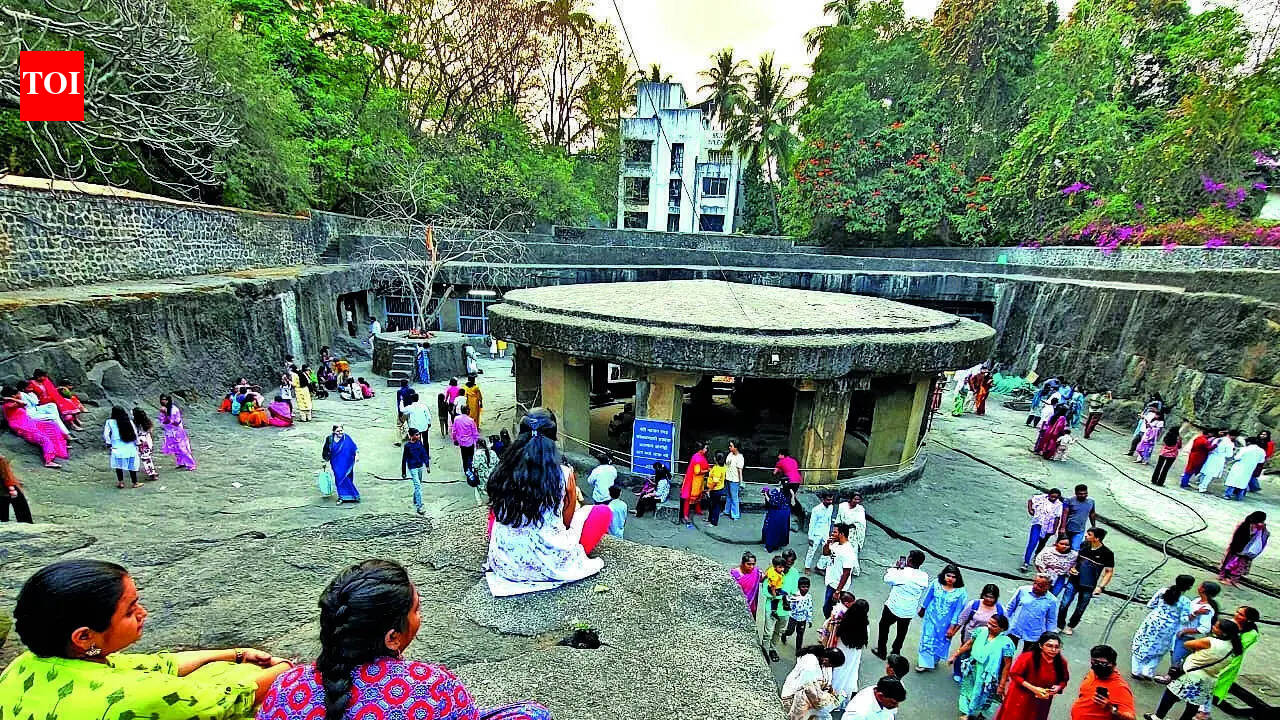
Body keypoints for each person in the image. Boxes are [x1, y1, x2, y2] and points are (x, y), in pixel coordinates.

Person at [257, 559, 549, 720]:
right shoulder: (432, 685)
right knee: (533, 714)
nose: (421, 616)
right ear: (393, 638)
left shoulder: (286, 687)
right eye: (416, 609)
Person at [0, 560, 290, 720]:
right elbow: (236, 697)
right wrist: (287, 670)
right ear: (84, 636)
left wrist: (236, 653)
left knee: (221, 668)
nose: (143, 613)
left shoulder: (23, 665)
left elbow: (158, 664)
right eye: (130, 610)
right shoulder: (138, 695)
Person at [484, 408, 610, 596]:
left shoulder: (503, 470)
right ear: (552, 438)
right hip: (551, 565)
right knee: (602, 512)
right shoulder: (564, 474)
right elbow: (566, 522)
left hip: (506, 565)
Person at [1147, 619, 1243, 720]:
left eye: (1216, 626)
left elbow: (1188, 644)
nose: (1213, 627)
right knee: (1193, 705)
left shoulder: (1211, 641)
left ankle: (1158, 717)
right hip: (1208, 679)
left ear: (1223, 633)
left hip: (1191, 675)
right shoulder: (1234, 649)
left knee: (1171, 695)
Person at [950, 614, 1016, 720]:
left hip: (988, 674)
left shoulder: (1006, 643)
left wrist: (1002, 684)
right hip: (972, 667)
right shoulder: (980, 631)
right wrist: (955, 655)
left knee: (984, 694)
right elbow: (969, 644)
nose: (989, 626)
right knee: (967, 689)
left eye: (994, 626)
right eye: (989, 623)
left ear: (1002, 629)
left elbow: (1007, 665)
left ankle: (979, 714)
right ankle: (966, 711)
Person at [1130, 576, 1196, 679]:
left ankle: (1136, 670)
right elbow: (1184, 619)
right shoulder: (1185, 601)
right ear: (1189, 587)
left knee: (1142, 642)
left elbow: (1150, 605)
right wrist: (1194, 614)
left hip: (1152, 621)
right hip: (1168, 627)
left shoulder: (1162, 591)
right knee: (1159, 649)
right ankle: (1148, 671)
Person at [994, 632, 1069, 720]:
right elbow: (1014, 674)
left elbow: (1064, 680)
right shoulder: (1027, 657)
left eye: (1057, 647)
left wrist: (1058, 687)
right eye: (1049, 646)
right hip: (1020, 697)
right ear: (1041, 646)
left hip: (1041, 701)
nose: (1053, 650)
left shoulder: (1061, 662)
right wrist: (1034, 689)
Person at [1058, 528, 1115, 635]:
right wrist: (1072, 568)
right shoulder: (1084, 545)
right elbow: (1076, 560)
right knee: (1064, 604)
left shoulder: (1107, 553)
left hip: (1089, 585)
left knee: (1080, 608)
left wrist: (1100, 587)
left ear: (1097, 538)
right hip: (1074, 580)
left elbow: (1109, 572)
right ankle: (1060, 625)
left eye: (1089, 534)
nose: (1086, 536)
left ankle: (1071, 625)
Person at [874, 550, 929, 659]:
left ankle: (881, 651)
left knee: (884, 626)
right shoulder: (924, 576)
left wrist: (896, 568)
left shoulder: (902, 573)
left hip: (893, 607)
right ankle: (896, 652)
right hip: (908, 610)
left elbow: (887, 579)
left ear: (909, 560)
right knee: (901, 632)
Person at [1205, 607, 1259, 715]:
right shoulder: (1230, 623)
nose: (1236, 615)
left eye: (1241, 614)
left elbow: (1238, 647)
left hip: (1230, 661)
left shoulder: (1252, 633)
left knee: (1215, 686)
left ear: (1248, 619)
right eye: (1237, 612)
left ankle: (1204, 711)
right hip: (1214, 655)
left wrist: (1232, 632)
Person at [1, 384, 69, 468]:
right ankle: (48, 460)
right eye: (18, 394)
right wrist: (11, 399)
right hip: (21, 426)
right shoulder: (8, 405)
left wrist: (12, 399)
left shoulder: (14, 402)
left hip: (30, 422)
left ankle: (59, 446)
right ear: (12, 396)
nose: (20, 395)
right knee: (44, 438)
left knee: (52, 425)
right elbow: (24, 403)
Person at [916, 564, 968, 672]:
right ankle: (924, 663)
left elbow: (958, 611)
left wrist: (952, 627)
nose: (950, 579)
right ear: (944, 575)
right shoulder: (936, 583)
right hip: (931, 617)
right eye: (948, 575)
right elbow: (928, 596)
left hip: (946, 622)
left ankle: (934, 660)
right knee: (927, 637)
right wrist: (923, 608)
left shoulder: (961, 592)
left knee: (941, 641)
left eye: (953, 577)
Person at [952, 584, 1007, 681]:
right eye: (987, 596)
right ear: (982, 595)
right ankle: (958, 672)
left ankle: (973, 674)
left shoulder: (1000, 609)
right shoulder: (974, 604)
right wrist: (953, 631)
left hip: (988, 638)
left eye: (992, 597)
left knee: (981, 656)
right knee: (964, 653)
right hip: (970, 634)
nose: (989, 599)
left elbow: (1003, 626)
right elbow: (962, 619)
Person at [1164, 581, 1220, 674]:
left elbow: (1204, 628)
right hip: (1181, 632)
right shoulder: (1197, 600)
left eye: (1200, 585)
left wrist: (1186, 631)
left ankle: (1171, 676)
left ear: (1203, 589)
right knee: (1175, 654)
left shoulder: (1206, 609)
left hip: (1188, 636)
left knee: (1177, 658)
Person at [1070, 645, 1137, 720]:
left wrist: (1110, 708)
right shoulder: (1092, 673)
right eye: (1095, 662)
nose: (1099, 666)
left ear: (1113, 665)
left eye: (1104, 663)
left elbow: (1131, 718)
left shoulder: (1120, 688)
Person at [780, 645, 846, 720]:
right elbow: (811, 691)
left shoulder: (823, 661)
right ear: (826, 660)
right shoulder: (810, 663)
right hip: (794, 696)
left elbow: (826, 683)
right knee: (822, 711)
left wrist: (830, 692)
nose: (830, 667)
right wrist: (830, 700)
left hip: (810, 693)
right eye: (831, 665)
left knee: (823, 710)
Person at [830, 598, 870, 706]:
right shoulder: (865, 627)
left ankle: (832, 698)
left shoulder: (844, 621)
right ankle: (843, 700)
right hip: (854, 655)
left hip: (841, 650)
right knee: (850, 675)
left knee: (838, 673)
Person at [1006, 574, 1060, 647]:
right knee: (1007, 650)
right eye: (1035, 583)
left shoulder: (1052, 601)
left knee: (1029, 653)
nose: (1035, 587)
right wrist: (1003, 623)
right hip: (1015, 628)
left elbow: (1051, 620)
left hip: (1034, 634)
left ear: (1048, 587)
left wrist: (1050, 637)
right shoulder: (1022, 590)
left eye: (1040, 586)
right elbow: (1010, 607)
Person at [1218, 511, 1268, 586]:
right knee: (1238, 565)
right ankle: (1231, 580)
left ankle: (1224, 577)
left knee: (1230, 562)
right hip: (1244, 550)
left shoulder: (1246, 524)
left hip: (1237, 547)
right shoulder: (1258, 527)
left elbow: (1235, 535)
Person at [1021, 488, 1064, 572]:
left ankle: (1037, 557)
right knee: (1032, 542)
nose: (1053, 498)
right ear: (1049, 495)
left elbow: (1057, 517)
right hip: (1038, 523)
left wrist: (1054, 529)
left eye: (1055, 497)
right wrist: (1030, 510)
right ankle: (1026, 562)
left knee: (1042, 543)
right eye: (1052, 496)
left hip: (1049, 526)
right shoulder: (1041, 498)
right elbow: (1030, 500)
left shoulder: (1059, 504)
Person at [822, 523, 858, 617]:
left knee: (831, 610)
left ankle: (831, 625)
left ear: (841, 534)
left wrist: (838, 591)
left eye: (835, 532)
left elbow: (846, 573)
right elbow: (825, 553)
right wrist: (827, 544)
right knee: (827, 608)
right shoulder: (836, 544)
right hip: (831, 582)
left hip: (837, 586)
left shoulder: (848, 552)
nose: (832, 534)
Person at [103, 406, 142, 489]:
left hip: (117, 446)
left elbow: (106, 434)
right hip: (130, 446)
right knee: (132, 464)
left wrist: (109, 443)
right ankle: (135, 482)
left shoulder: (109, 422)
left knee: (118, 465)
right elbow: (135, 433)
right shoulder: (129, 421)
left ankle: (121, 482)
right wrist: (138, 443)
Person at [157, 394, 197, 470]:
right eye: (162, 399)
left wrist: (166, 414)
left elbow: (176, 422)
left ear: (168, 400)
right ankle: (181, 463)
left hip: (177, 432)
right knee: (176, 448)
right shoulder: (163, 410)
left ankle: (191, 464)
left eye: (165, 399)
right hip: (169, 432)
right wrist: (165, 414)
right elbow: (164, 421)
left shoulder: (174, 410)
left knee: (182, 448)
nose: (163, 401)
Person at [322, 425, 360, 504]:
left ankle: (353, 496)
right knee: (339, 478)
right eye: (338, 431)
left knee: (346, 478)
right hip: (335, 462)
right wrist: (325, 461)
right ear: (334, 432)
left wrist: (357, 455)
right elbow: (326, 450)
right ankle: (342, 496)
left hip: (347, 462)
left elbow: (354, 447)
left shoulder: (347, 438)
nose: (340, 433)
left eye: (341, 430)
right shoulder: (329, 439)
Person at [762, 555, 789, 662]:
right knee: (768, 633)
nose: (782, 569)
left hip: (784, 611)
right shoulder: (774, 575)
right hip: (773, 602)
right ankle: (764, 652)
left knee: (778, 631)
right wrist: (775, 596)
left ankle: (772, 649)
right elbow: (768, 590)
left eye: (783, 567)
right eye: (780, 567)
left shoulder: (788, 574)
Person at [782, 576, 817, 656]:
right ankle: (784, 634)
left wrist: (809, 619)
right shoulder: (795, 595)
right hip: (793, 618)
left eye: (807, 587)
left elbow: (809, 608)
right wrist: (787, 602)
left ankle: (798, 650)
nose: (805, 589)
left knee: (800, 634)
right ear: (799, 587)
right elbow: (788, 602)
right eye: (803, 587)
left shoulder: (809, 597)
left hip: (802, 619)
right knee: (790, 631)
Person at [400, 427, 430, 516]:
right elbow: (404, 459)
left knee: (418, 484)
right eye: (416, 435)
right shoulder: (407, 446)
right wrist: (404, 472)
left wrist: (427, 465)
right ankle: (419, 506)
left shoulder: (419, 443)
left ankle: (415, 498)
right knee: (418, 485)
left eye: (418, 434)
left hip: (420, 466)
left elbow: (424, 454)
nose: (418, 436)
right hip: (412, 467)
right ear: (412, 436)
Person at [774, 448, 807, 529]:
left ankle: (793, 515)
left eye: (779, 455)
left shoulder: (780, 462)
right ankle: (797, 513)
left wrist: (779, 469)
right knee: (792, 496)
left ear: (782, 455)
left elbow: (774, 472)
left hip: (789, 481)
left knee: (787, 497)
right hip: (797, 480)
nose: (778, 456)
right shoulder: (793, 460)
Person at [1059, 484, 1097, 551]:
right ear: (1076, 493)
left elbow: (1092, 513)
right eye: (1080, 494)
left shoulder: (1091, 502)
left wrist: (1093, 526)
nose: (1083, 495)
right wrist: (1062, 528)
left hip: (1080, 530)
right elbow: (1065, 514)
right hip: (1067, 529)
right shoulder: (1069, 501)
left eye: (1085, 493)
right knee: (1063, 547)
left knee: (1075, 548)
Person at [681, 441, 710, 524]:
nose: (706, 449)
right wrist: (707, 470)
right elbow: (697, 471)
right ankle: (685, 515)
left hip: (698, 481)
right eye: (705, 448)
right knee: (689, 497)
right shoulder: (697, 458)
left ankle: (697, 510)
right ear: (701, 449)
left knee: (698, 496)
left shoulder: (699, 456)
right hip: (694, 481)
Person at [806, 494, 836, 574]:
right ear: (823, 499)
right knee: (811, 551)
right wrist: (810, 537)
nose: (830, 502)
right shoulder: (816, 509)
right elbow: (812, 523)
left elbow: (829, 520)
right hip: (816, 533)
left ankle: (820, 567)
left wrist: (829, 533)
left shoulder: (831, 507)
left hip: (825, 532)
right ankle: (807, 567)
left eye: (831, 500)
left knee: (827, 550)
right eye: (828, 500)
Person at [1, 454, 33, 523]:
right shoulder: (1, 460)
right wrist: (11, 487)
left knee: (3, 517)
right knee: (23, 514)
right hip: (6, 489)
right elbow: (5, 474)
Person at [132, 407, 159, 484]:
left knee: (145, 459)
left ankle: (152, 474)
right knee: (147, 457)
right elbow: (150, 431)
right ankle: (152, 472)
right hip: (147, 440)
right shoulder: (147, 421)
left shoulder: (134, 423)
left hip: (140, 441)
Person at [732, 551, 764, 616]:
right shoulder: (735, 574)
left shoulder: (756, 572)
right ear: (743, 563)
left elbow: (762, 579)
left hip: (751, 604)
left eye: (753, 564)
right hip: (738, 603)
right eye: (749, 564)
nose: (751, 567)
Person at [762, 485, 792, 552]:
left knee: (772, 530)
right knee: (782, 529)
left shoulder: (776, 491)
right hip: (785, 512)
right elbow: (792, 503)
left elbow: (772, 502)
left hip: (776, 512)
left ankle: (770, 546)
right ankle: (779, 544)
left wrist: (766, 494)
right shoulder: (790, 491)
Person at [451, 406, 480, 472]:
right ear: (467, 411)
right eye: (469, 410)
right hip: (470, 442)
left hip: (462, 442)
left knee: (464, 457)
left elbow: (454, 431)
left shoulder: (457, 419)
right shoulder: (471, 421)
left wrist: (455, 439)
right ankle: (471, 469)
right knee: (471, 457)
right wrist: (477, 442)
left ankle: (466, 470)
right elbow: (475, 433)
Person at [706, 451, 729, 525]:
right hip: (719, 488)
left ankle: (713, 522)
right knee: (711, 505)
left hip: (715, 490)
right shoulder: (722, 466)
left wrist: (709, 490)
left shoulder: (717, 469)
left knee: (715, 506)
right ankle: (710, 519)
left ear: (716, 459)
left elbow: (715, 481)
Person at [725, 439, 745, 520]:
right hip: (728, 478)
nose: (729, 447)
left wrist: (741, 482)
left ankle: (735, 514)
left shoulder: (740, 457)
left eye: (731, 446)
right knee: (728, 496)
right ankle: (727, 511)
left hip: (734, 480)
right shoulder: (730, 454)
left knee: (734, 497)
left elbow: (740, 471)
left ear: (736, 448)